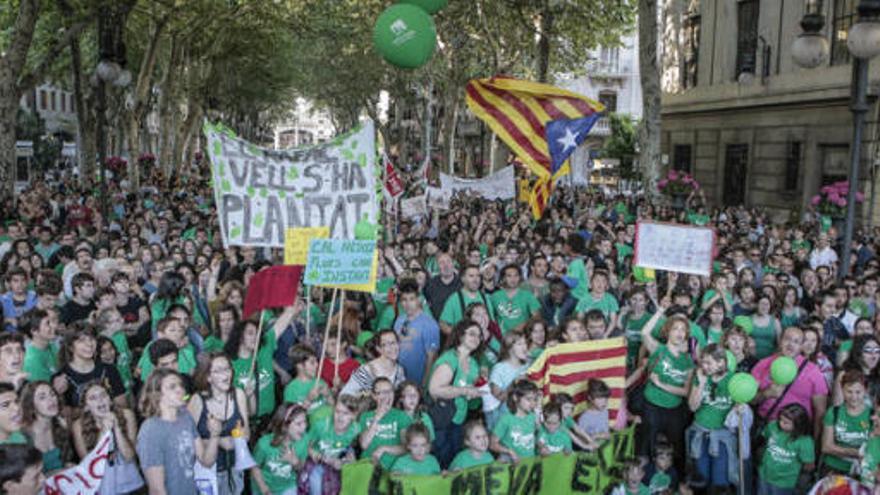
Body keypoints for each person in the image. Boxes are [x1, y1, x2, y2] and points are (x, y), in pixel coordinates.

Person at [137, 369, 221, 495]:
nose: (180, 390)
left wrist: (215, 435)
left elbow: (206, 461)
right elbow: (157, 489)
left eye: (181, 385)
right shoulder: (150, 430)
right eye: (172, 387)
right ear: (157, 394)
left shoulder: (185, 416)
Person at [187, 353, 251, 495]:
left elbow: (247, 433)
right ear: (208, 377)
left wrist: (236, 439)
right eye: (218, 370)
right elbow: (187, 441)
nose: (226, 374)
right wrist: (219, 441)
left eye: (227, 369)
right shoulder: (197, 400)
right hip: (207, 474)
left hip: (235, 470)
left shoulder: (238, 394)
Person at [752, 326, 828, 437]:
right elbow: (751, 400)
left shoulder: (813, 371)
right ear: (780, 341)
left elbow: (820, 412)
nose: (790, 345)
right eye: (787, 339)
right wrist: (766, 393)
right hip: (767, 428)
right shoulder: (763, 364)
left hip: (797, 433)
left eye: (796, 341)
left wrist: (816, 445)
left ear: (801, 346)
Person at [427, 319, 483, 468]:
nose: (476, 338)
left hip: (459, 418)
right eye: (472, 334)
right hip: (443, 419)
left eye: (479, 335)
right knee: (442, 460)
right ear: (460, 336)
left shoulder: (473, 363)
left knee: (453, 460)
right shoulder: (450, 359)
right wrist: (465, 391)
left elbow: (469, 392)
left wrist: (476, 392)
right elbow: (435, 389)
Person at [72, 382, 141, 494]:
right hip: (101, 488)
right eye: (93, 398)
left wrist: (117, 427)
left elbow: (129, 456)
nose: (100, 400)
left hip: (130, 484)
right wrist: (104, 431)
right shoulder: (78, 426)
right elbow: (91, 467)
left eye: (103, 395)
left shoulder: (127, 414)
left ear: (110, 399)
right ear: (86, 407)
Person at [686, 344, 736, 492]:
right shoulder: (701, 376)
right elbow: (692, 407)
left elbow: (740, 410)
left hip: (722, 437)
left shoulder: (734, 380)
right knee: (701, 478)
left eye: (708, 363)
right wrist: (701, 383)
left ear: (721, 362)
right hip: (700, 432)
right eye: (703, 362)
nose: (704, 366)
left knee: (720, 480)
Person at [301, 395, 361, 495]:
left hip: (339, 462)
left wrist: (349, 460)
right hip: (318, 462)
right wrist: (325, 459)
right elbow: (306, 446)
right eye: (337, 411)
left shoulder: (356, 429)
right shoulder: (322, 425)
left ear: (354, 416)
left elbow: (350, 448)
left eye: (345, 413)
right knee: (317, 479)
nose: (340, 417)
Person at [55, 327, 127, 410]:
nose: (89, 344)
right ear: (71, 347)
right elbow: (64, 414)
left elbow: (122, 406)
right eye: (82, 340)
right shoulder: (62, 377)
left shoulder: (109, 369)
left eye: (92, 339)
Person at [821, 369, 871, 476]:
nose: (854, 397)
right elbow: (826, 446)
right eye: (849, 391)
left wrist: (838, 450)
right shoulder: (834, 412)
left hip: (862, 470)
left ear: (865, 391)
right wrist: (857, 452)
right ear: (842, 390)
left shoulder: (872, 415)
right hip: (833, 468)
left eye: (858, 392)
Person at [756, 403, 815, 495]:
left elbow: (809, 465)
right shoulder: (772, 426)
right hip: (764, 474)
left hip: (784, 482)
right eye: (780, 419)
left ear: (798, 424)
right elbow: (765, 439)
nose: (781, 423)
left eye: (786, 423)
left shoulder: (805, 441)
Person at [250, 404, 309, 495]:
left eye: (305, 422)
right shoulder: (264, 444)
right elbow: (254, 467)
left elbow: (302, 468)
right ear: (284, 425)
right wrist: (265, 490)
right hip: (263, 487)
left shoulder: (304, 440)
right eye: (298, 424)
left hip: (287, 487)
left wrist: (296, 462)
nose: (304, 427)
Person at [393, 278, 440, 387]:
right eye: (404, 299)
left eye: (411, 299)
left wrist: (425, 384)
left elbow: (432, 358)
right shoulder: (399, 320)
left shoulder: (430, 324)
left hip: (418, 382)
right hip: (400, 380)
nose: (407, 304)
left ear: (419, 299)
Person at [357, 377, 411, 469]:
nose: (388, 396)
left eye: (390, 391)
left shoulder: (402, 416)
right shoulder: (365, 416)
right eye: (383, 392)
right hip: (368, 466)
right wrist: (377, 418)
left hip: (394, 467)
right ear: (374, 396)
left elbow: (406, 448)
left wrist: (383, 449)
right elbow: (364, 445)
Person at [19, 381, 69, 474]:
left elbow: (65, 461)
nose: (51, 400)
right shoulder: (23, 437)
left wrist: (69, 466)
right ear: (31, 405)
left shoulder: (61, 426)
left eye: (52, 394)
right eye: (42, 397)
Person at [340, 330, 406, 397]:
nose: (392, 347)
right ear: (378, 349)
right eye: (385, 345)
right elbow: (344, 395)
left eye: (393, 343)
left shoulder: (399, 371)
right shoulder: (366, 371)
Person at [490, 379, 539, 463]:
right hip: (512, 464)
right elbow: (492, 444)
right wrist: (509, 451)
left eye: (534, 399)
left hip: (530, 463)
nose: (532, 403)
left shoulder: (533, 416)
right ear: (515, 397)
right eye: (528, 399)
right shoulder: (506, 419)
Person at [283, 345, 333, 423]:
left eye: (316, 361)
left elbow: (333, 407)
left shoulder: (320, 382)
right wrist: (308, 399)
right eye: (312, 362)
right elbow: (291, 420)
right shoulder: (291, 389)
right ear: (299, 366)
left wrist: (328, 395)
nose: (317, 365)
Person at [490, 264, 541, 335]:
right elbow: (491, 318)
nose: (513, 279)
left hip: (522, 336)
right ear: (503, 278)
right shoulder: (495, 296)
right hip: (500, 338)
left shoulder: (528, 295)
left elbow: (537, 317)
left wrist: (521, 327)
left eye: (516, 275)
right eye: (509, 276)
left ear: (520, 277)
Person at [20, 309, 59, 383]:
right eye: (47, 323)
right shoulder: (31, 361)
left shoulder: (51, 346)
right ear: (34, 331)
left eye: (51, 322)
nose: (54, 325)